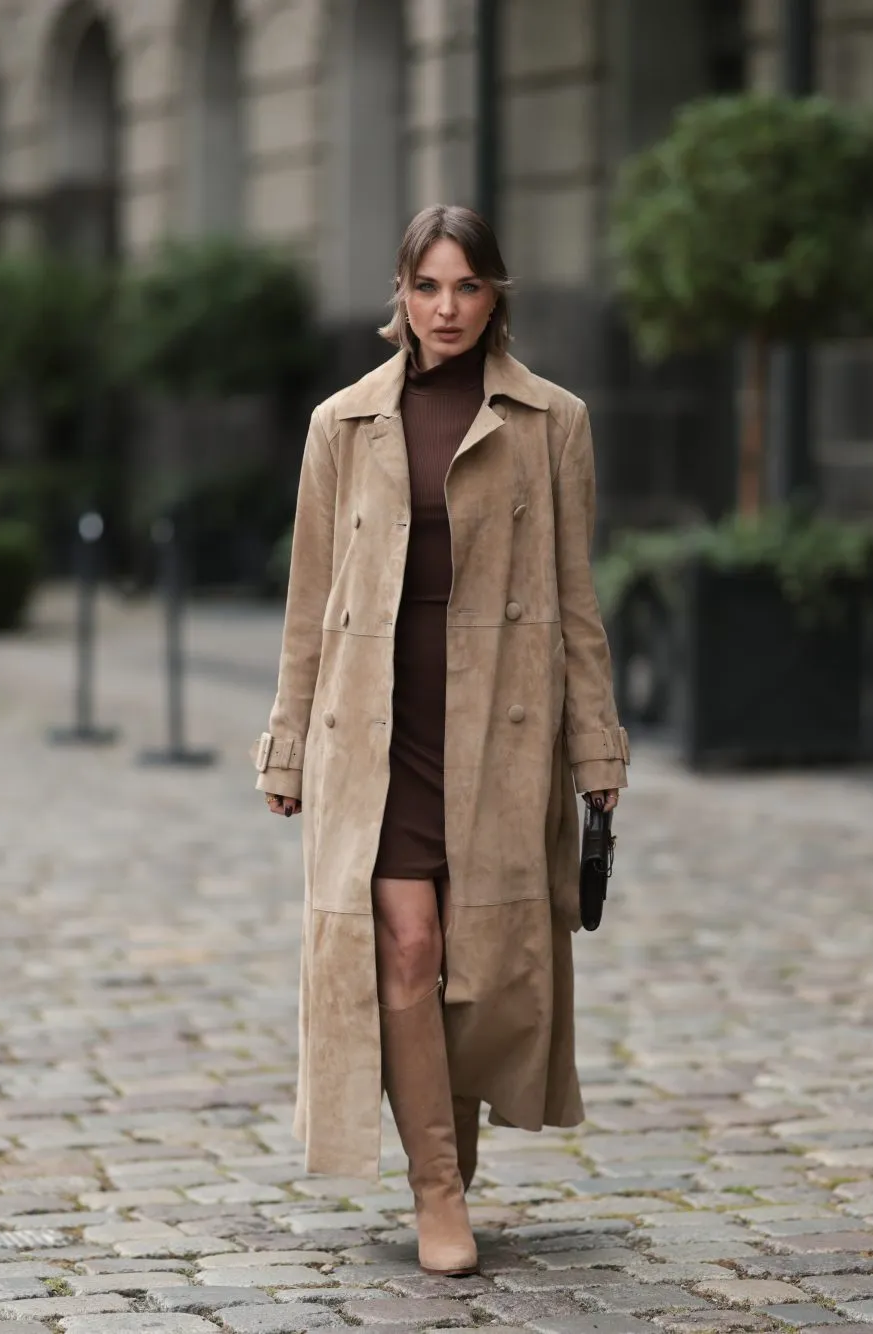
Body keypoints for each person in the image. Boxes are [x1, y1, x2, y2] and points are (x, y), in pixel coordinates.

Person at [253, 204, 629, 1276]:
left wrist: (596, 746)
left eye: (467, 286)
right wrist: (287, 741)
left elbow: (575, 598)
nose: (446, 308)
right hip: (377, 729)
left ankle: (448, 1152)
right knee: (408, 947)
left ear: (495, 294)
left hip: (499, 729)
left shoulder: (553, 422)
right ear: (401, 296)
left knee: (477, 970)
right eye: (427, 286)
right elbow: (308, 599)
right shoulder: (341, 425)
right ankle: (437, 1189)